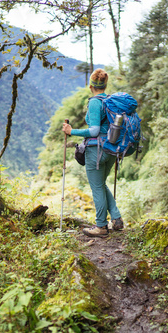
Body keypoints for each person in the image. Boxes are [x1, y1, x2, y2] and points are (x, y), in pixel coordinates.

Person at [62, 68, 123, 238]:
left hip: (95, 150)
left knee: (97, 187)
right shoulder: (110, 101)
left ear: (91, 86)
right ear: (105, 84)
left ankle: (101, 226)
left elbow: (94, 130)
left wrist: (72, 131)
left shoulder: (96, 102)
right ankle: (116, 218)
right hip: (111, 150)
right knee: (101, 184)